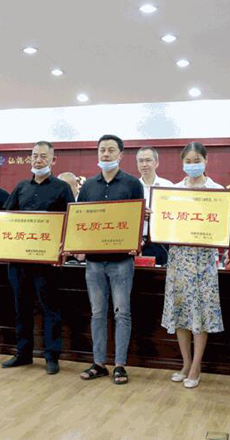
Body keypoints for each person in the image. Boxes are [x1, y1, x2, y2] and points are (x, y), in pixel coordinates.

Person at [0, 141, 74, 374]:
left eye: (43, 156)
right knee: (21, 308)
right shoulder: (21, 187)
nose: (38, 160)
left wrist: (67, 245)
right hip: (18, 260)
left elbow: (71, 221)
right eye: (34, 155)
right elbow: (5, 217)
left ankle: (51, 356)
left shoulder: (62, 188)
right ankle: (23, 353)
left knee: (50, 309)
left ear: (53, 160)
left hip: (47, 262)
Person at [77, 134, 144, 385]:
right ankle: (99, 363)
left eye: (111, 150)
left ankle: (120, 365)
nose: (105, 154)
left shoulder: (132, 184)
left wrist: (136, 241)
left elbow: (137, 219)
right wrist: (77, 246)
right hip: (93, 261)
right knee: (97, 313)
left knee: (122, 313)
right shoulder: (88, 186)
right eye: (102, 150)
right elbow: (80, 220)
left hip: (121, 261)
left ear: (121, 155)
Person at [161, 143, 224, 389]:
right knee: (180, 312)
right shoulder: (173, 191)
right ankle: (185, 363)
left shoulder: (217, 191)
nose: (192, 164)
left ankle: (196, 366)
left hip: (203, 261)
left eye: (196, 160)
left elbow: (223, 227)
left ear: (206, 161)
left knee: (200, 312)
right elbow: (166, 224)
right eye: (187, 161)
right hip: (179, 258)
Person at [136, 146, 173, 265]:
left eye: (148, 160)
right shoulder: (132, 186)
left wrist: (155, 215)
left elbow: (174, 214)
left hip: (161, 242)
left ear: (156, 163)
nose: (144, 164)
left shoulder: (168, 186)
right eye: (140, 161)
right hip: (138, 242)